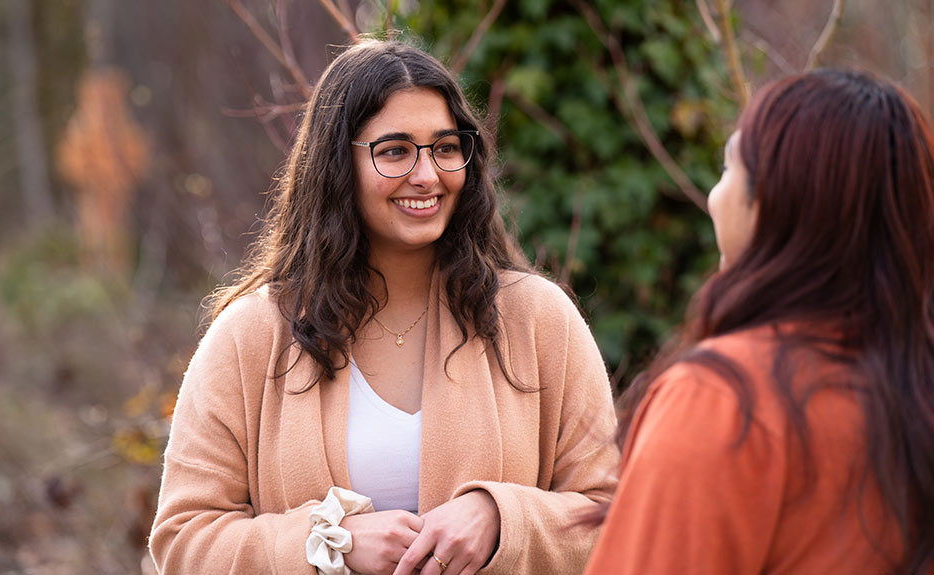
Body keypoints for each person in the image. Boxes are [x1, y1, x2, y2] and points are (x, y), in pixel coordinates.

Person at [150, 39, 618, 575]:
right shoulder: (251, 336)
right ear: (336, 166)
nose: (427, 175)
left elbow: (613, 515)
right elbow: (184, 541)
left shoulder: (538, 319)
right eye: (394, 151)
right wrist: (329, 544)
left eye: (445, 147)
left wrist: (500, 518)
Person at [584, 69, 934, 574]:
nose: (713, 197)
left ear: (776, 204)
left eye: (729, 167)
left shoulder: (724, 400)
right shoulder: (921, 387)